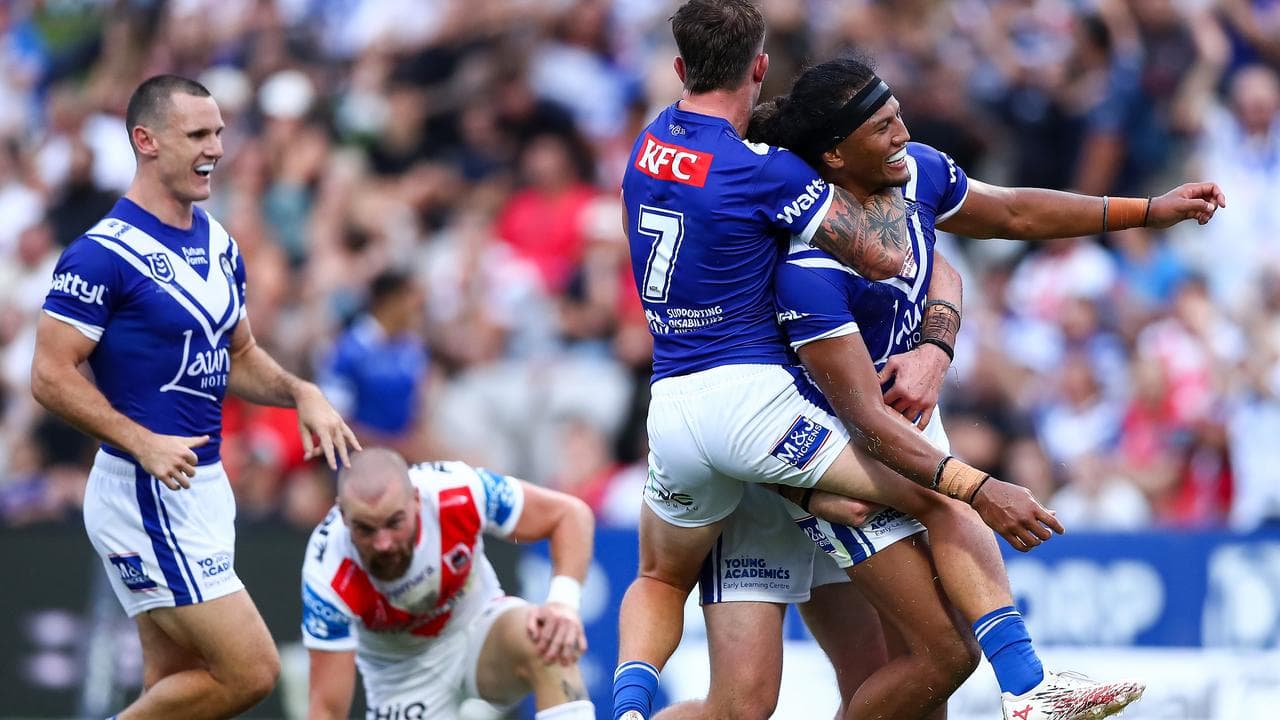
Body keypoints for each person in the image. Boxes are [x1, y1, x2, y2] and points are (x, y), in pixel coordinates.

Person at [667, 55, 1226, 720]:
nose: (903, 134)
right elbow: (864, 419)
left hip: (889, 428)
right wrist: (981, 485)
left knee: (917, 676)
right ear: (836, 157)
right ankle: (1028, 687)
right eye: (882, 128)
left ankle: (1027, 687)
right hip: (825, 453)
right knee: (917, 661)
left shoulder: (916, 174)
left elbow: (1010, 216)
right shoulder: (808, 267)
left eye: (898, 114)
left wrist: (1146, 212)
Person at [613, 4, 1071, 719]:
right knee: (937, 525)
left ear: (679, 70)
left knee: (852, 678)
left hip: (681, 406)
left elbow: (934, 254)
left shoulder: (645, 147)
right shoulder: (767, 174)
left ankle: (629, 705)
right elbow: (892, 254)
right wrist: (901, 187)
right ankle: (1035, 689)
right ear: (760, 68)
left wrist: (933, 342)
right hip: (770, 418)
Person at [30, 75, 360, 719]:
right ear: (145, 141)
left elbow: (237, 356)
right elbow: (49, 374)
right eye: (199, 134)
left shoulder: (218, 242)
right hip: (145, 489)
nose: (216, 148)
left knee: (177, 683)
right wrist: (141, 440)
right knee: (251, 671)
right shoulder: (100, 254)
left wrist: (301, 393)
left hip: (202, 486)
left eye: (219, 133)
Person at [301, 448, 596, 720]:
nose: (384, 543)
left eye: (394, 522)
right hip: (402, 680)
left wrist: (563, 604)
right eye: (366, 529)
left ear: (416, 500)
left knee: (550, 639)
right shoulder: (327, 571)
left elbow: (570, 514)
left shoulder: (457, 490)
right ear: (343, 515)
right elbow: (327, 709)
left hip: (479, 628)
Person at [318, 269, 435, 462]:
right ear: (389, 301)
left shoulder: (414, 348)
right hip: (357, 462)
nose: (418, 307)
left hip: (404, 458)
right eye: (411, 299)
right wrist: (395, 447)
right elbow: (334, 424)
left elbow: (418, 412)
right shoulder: (347, 351)